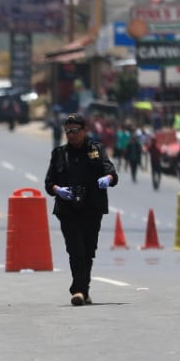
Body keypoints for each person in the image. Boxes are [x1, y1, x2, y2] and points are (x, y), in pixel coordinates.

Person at [44, 113, 117, 306]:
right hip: (68, 209)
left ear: (84, 130)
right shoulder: (59, 154)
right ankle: (78, 290)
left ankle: (83, 290)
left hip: (92, 208)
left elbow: (112, 173)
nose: (71, 135)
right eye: (67, 131)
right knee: (75, 250)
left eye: (75, 130)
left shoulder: (96, 150)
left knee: (88, 251)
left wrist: (107, 179)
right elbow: (49, 183)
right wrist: (58, 190)